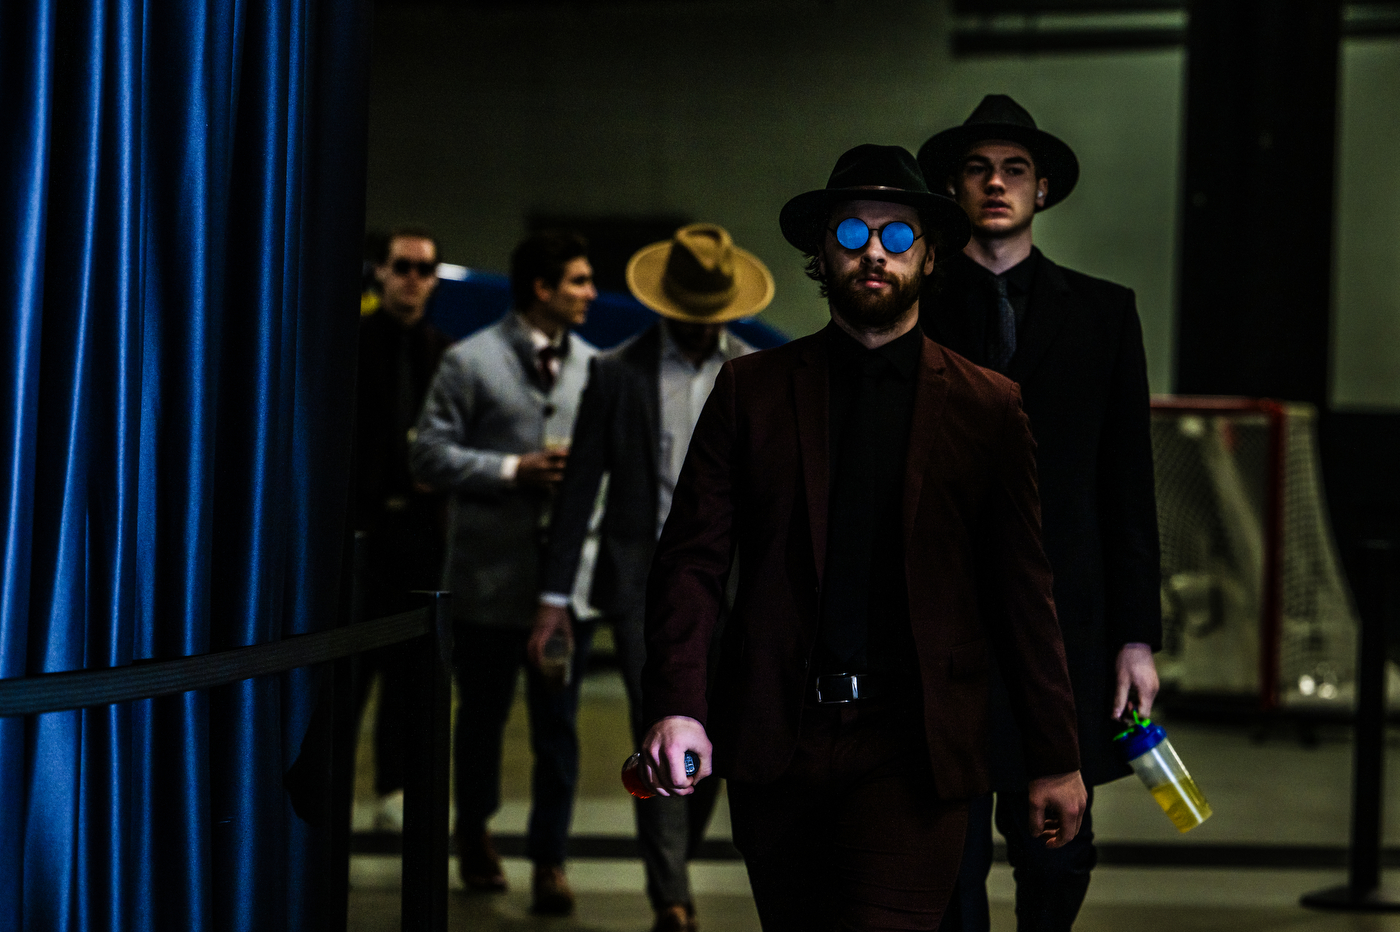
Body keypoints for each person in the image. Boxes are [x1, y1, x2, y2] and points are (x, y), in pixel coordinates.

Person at [633, 144, 1087, 931]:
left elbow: (1023, 588)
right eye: (851, 234)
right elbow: (692, 560)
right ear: (822, 253)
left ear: (930, 254)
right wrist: (678, 704)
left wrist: (1055, 753)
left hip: (917, 747)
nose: (874, 252)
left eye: (898, 236)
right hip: (781, 741)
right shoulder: (753, 391)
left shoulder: (988, 407)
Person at [917, 94, 1162, 931]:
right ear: (953, 187)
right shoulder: (909, 308)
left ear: (1042, 190)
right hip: (939, 621)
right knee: (947, 858)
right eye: (979, 169)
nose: (996, 183)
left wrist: (1136, 637)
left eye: (1014, 170)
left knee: (1057, 854)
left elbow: (1128, 484)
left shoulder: (1102, 313)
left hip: (1065, 624)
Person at [531, 223, 773, 932]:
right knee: (663, 725)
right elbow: (580, 488)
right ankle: (670, 894)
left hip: (736, 583)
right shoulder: (618, 372)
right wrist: (552, 599)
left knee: (716, 733)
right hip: (644, 582)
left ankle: (677, 859)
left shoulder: (755, 371)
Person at [410, 229, 599, 915]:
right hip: (489, 586)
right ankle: (475, 831)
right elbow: (427, 455)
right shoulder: (470, 361)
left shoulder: (593, 366)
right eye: (578, 281)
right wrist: (510, 470)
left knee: (559, 729)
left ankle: (551, 857)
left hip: (563, 589)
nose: (590, 293)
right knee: (482, 721)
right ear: (542, 289)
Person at [351, 226, 452, 831]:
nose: (412, 279)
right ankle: (330, 782)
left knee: (410, 671)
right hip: (363, 531)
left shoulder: (443, 352)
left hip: (421, 533)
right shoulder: (353, 346)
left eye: (423, 269)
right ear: (382, 273)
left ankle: (393, 787)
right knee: (350, 670)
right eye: (402, 267)